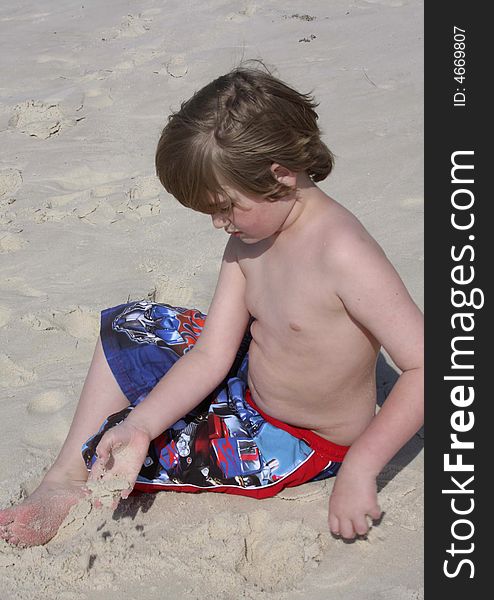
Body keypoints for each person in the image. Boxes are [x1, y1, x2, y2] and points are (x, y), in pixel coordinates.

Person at [0, 65, 423, 547]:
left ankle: (81, 475)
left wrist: (363, 466)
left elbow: (426, 366)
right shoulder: (249, 239)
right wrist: (141, 424)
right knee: (130, 325)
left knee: (123, 457)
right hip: (248, 383)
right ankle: (62, 477)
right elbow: (210, 354)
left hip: (298, 441)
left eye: (224, 206)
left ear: (279, 174)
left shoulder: (343, 254)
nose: (219, 223)